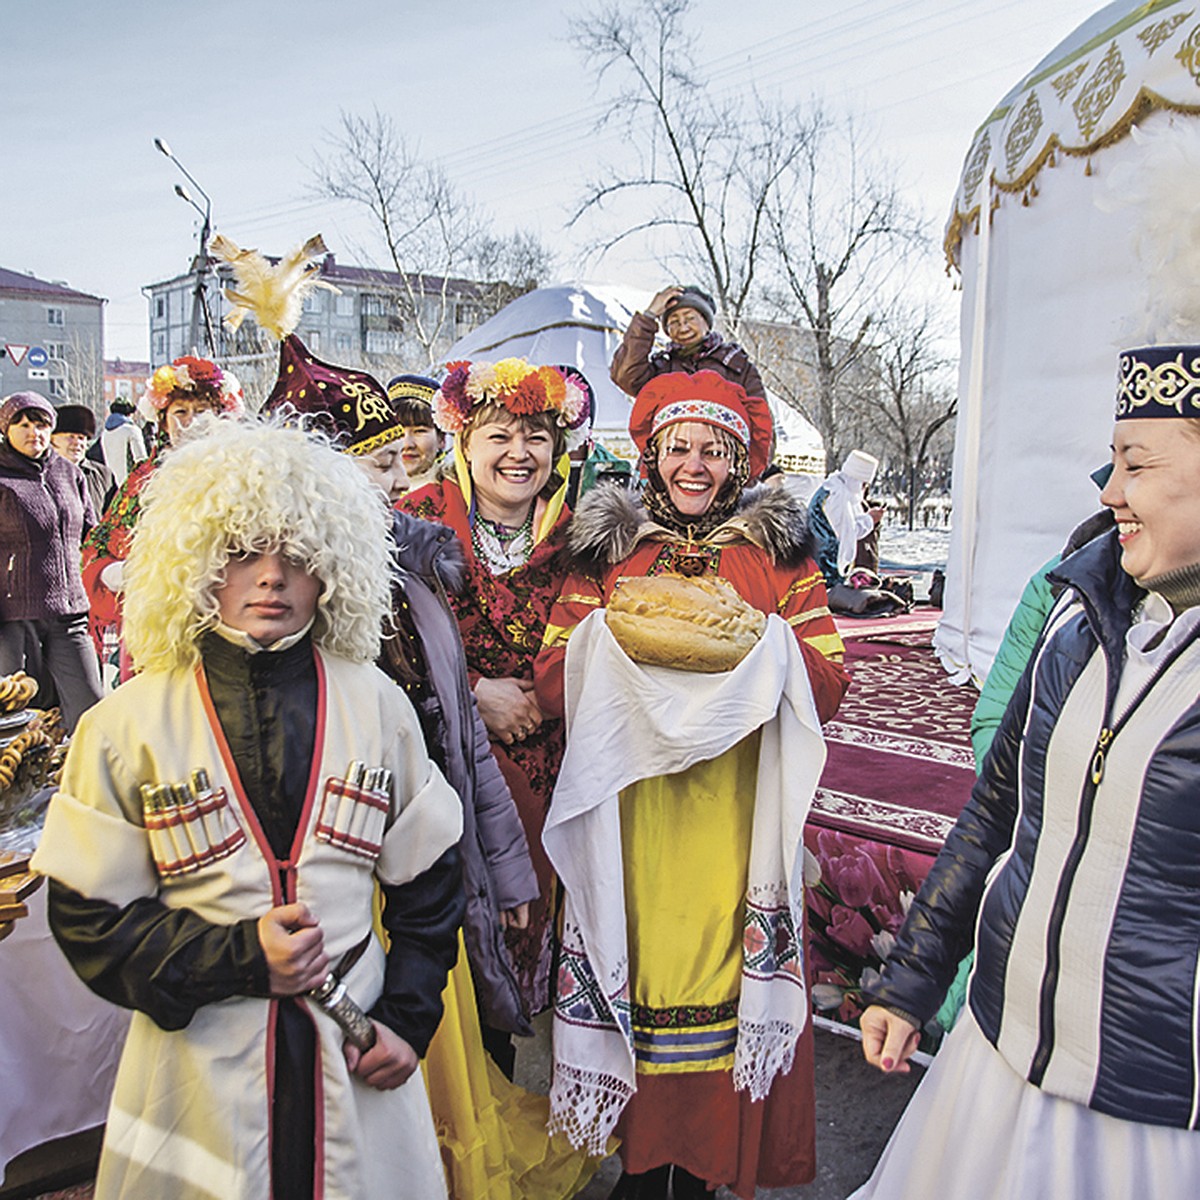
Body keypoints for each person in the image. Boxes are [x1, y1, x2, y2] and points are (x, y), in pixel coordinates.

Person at [31, 418, 465, 1199]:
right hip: (194, 1075)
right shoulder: (126, 724)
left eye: (297, 554)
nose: (270, 577)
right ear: (196, 566)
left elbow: (431, 887)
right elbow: (88, 918)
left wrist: (406, 1018)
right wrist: (239, 957)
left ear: (332, 568)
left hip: (358, 1052)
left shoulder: (380, 705)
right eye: (239, 551)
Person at [852, 340, 1200, 1200]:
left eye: (1137, 464)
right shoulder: (1078, 619)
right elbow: (996, 810)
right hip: (996, 1061)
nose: (1109, 489)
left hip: (1148, 1114)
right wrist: (912, 979)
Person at [534, 370, 849, 1200]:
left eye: (714, 448)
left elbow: (827, 680)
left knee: (722, 1000)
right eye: (678, 446)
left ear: (739, 460)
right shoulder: (605, 552)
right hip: (634, 828)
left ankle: (712, 1169)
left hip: (733, 827)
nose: (695, 464)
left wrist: (758, 642)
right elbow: (550, 682)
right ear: (650, 454)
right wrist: (617, 636)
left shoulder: (780, 557)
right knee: (632, 983)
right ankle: (638, 1172)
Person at [401, 358, 591, 1037]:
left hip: (550, 770)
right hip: (446, 763)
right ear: (464, 444)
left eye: (536, 437)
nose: (519, 454)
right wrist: (474, 692)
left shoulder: (585, 537)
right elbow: (380, 640)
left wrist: (547, 694)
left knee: (528, 935)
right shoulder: (415, 521)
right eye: (499, 437)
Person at [81, 356, 244, 682]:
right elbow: (101, 542)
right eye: (181, 412)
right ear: (163, 420)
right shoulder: (143, 477)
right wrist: (118, 571)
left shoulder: (240, 474)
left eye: (201, 411)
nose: (191, 421)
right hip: (156, 616)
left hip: (225, 615)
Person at [0, 391, 101, 730]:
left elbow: (93, 535)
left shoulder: (70, 475)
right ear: (6, 429)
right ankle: (16, 784)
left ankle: (86, 779)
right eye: (24, 424)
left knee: (92, 708)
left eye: (41, 424)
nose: (34, 433)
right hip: (14, 616)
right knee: (14, 717)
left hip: (69, 613)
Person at [610, 284, 765, 402]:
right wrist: (648, 317)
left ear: (706, 323)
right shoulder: (662, 369)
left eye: (690, 318)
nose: (683, 327)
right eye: (674, 322)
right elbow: (626, 377)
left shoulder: (736, 365)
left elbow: (762, 424)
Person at [808, 450, 902, 616]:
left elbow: (848, 526)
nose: (863, 489)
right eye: (864, 484)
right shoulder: (838, 496)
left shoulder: (836, 488)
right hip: (825, 564)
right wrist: (870, 520)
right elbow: (846, 534)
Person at [51, 402, 114, 517]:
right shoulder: (42, 474)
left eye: (81, 438)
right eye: (70, 437)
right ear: (52, 440)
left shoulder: (103, 474)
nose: (77, 443)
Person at [386, 373, 446, 492]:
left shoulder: (460, 494)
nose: (407, 444)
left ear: (441, 439)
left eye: (419, 431)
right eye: (398, 433)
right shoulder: (367, 494)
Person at [99, 396, 146, 486]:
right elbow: (141, 459)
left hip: (111, 484)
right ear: (129, 414)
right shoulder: (132, 430)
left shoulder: (105, 433)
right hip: (130, 485)